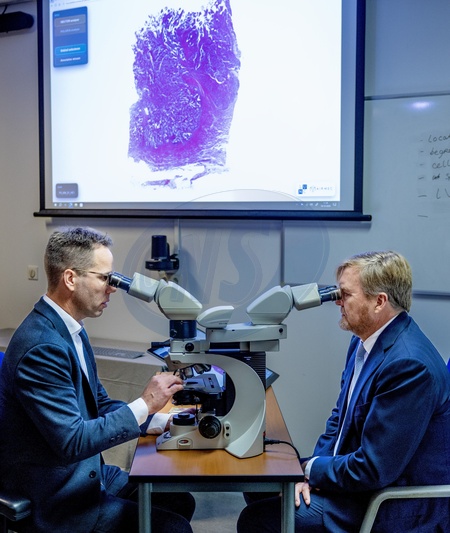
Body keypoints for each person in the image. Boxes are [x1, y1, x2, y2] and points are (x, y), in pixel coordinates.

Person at [238, 251, 450, 532]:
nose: (337, 301)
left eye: (345, 294)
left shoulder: (408, 365)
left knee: (259, 520)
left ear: (379, 302)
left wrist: (309, 470)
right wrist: (311, 474)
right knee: (260, 484)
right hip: (362, 484)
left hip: (390, 504)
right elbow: (339, 420)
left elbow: (374, 468)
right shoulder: (364, 342)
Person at [0, 227, 195, 533]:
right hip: (58, 499)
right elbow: (73, 441)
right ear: (70, 279)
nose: (112, 288)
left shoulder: (72, 329)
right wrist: (145, 403)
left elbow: (100, 404)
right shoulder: (42, 347)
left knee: (178, 500)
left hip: (87, 475)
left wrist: (159, 420)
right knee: (173, 528)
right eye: (105, 278)